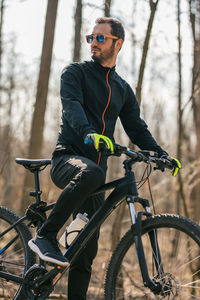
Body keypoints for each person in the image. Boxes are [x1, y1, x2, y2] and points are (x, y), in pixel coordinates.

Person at [28, 17, 181, 300]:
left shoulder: (122, 88)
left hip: (94, 174)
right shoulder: (75, 73)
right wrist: (88, 133)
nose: (93, 43)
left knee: (86, 252)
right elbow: (72, 108)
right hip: (67, 160)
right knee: (93, 173)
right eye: (91, 37)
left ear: (117, 43)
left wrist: (162, 155)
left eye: (100, 38)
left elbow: (137, 128)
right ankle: (45, 236)